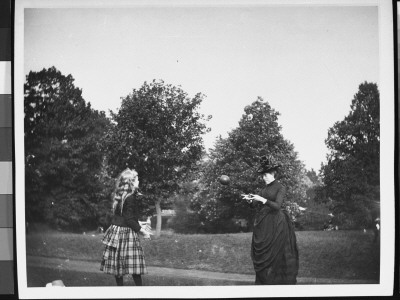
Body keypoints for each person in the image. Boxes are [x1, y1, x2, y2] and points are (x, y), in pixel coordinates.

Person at [242, 156, 299, 285]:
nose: (264, 177)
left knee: (275, 255)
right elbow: (254, 205)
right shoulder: (263, 190)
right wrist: (250, 200)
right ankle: (264, 283)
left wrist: (261, 199)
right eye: (262, 175)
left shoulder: (280, 188)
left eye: (266, 174)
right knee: (263, 256)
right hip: (264, 225)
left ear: (273, 173)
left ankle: (276, 285)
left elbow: (277, 206)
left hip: (277, 224)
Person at [100, 168, 152, 286]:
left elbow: (127, 217)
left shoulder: (121, 197)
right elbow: (129, 219)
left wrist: (140, 226)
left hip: (116, 233)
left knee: (118, 266)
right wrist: (143, 231)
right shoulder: (130, 197)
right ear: (131, 182)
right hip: (126, 234)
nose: (139, 182)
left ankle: (121, 291)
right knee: (135, 266)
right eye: (137, 179)